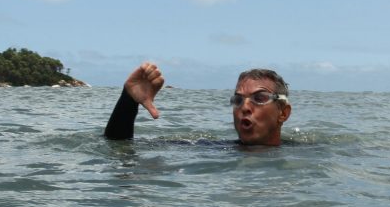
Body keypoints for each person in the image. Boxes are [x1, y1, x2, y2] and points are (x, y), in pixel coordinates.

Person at [104, 62, 292, 146]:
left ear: (283, 113)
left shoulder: (307, 156)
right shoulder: (209, 148)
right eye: (238, 100)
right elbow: (118, 146)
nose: (244, 107)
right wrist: (128, 100)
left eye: (259, 98)